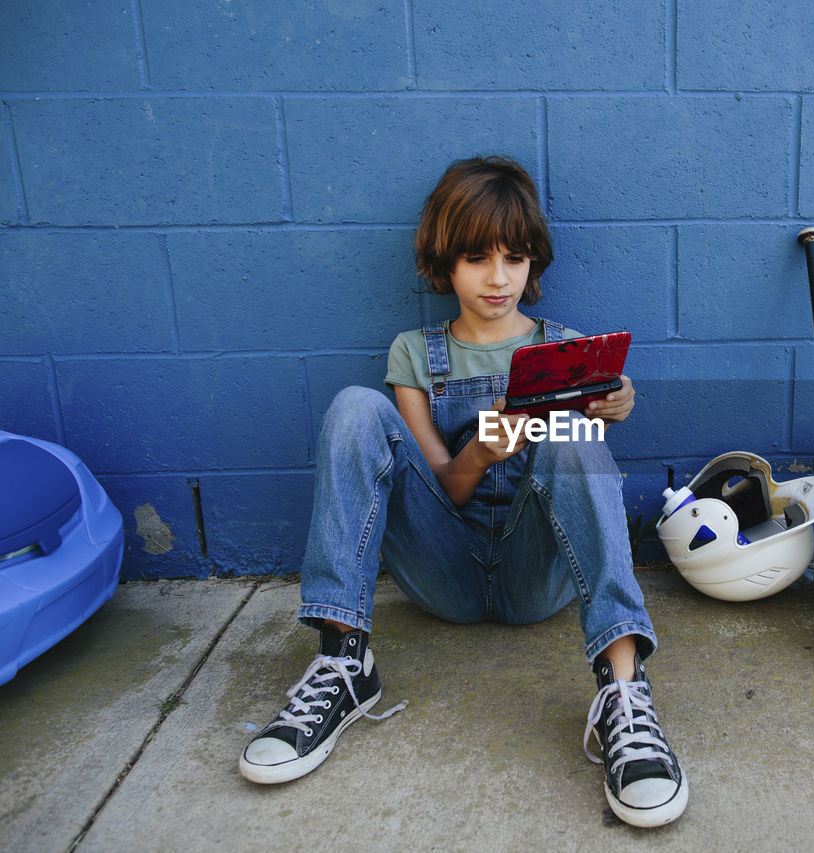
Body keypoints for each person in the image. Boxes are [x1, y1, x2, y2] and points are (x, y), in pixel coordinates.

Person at [237, 156, 688, 828]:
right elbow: (445, 488)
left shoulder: (564, 347)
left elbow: (586, 451)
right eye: (478, 258)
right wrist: (480, 449)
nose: (499, 277)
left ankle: (624, 690)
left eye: (514, 257)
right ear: (445, 262)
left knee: (571, 433)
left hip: (537, 574)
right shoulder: (416, 355)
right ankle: (342, 664)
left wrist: (614, 401)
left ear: (534, 261)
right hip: (443, 569)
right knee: (355, 408)